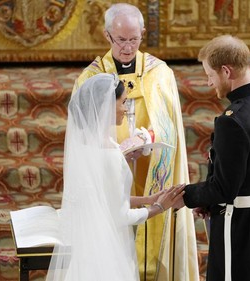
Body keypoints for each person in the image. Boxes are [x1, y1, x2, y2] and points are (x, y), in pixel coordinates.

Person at [71, 3, 198, 281]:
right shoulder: (91, 78)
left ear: (142, 33)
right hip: (108, 166)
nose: (128, 47)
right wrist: (115, 154)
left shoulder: (159, 73)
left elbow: (170, 126)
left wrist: (146, 137)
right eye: (121, 40)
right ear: (107, 36)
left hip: (151, 167)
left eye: (134, 39)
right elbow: (82, 133)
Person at [46, 73, 186, 281]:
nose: (126, 109)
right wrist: (159, 208)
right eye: (123, 102)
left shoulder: (86, 146)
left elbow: (102, 201)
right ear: (106, 105)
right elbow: (119, 217)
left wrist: (147, 199)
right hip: (107, 248)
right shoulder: (110, 154)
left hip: (87, 243)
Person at [174, 35, 250, 281]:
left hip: (239, 229)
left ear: (226, 71)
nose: (208, 82)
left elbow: (224, 188)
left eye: (210, 75)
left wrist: (185, 196)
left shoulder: (232, 121)